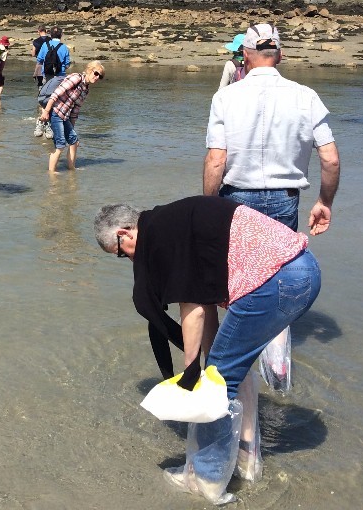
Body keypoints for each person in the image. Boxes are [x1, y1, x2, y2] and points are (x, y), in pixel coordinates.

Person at [93, 195, 321, 500]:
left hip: (275, 282)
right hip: (302, 272)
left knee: (217, 385)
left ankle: (206, 479)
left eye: (122, 254)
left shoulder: (162, 235)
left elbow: (194, 309)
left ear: (125, 233)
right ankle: (248, 462)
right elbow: (207, 303)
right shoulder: (173, 220)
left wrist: (192, 373)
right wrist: (209, 361)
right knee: (229, 373)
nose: (131, 261)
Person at [203, 22, 341, 236]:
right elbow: (330, 159)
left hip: (236, 197)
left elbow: (216, 160)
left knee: (239, 267)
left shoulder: (224, 97)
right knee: (279, 266)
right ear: (280, 56)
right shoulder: (307, 96)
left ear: (245, 56)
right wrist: (324, 202)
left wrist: (209, 209)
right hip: (284, 200)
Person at [37, 60, 105, 173]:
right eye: (96, 73)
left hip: (65, 116)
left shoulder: (85, 89)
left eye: (100, 76)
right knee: (60, 145)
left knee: (74, 141)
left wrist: (71, 129)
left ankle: (72, 168)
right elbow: (56, 94)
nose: (97, 77)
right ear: (89, 70)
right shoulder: (76, 78)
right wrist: (46, 111)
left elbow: (75, 110)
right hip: (55, 112)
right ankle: (52, 173)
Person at [33, 27, 70, 136]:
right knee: (57, 100)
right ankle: (52, 125)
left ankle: (42, 123)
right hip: (60, 77)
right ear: (61, 35)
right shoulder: (64, 47)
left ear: (50, 34)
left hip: (48, 76)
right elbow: (67, 64)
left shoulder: (45, 45)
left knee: (45, 98)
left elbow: (39, 60)